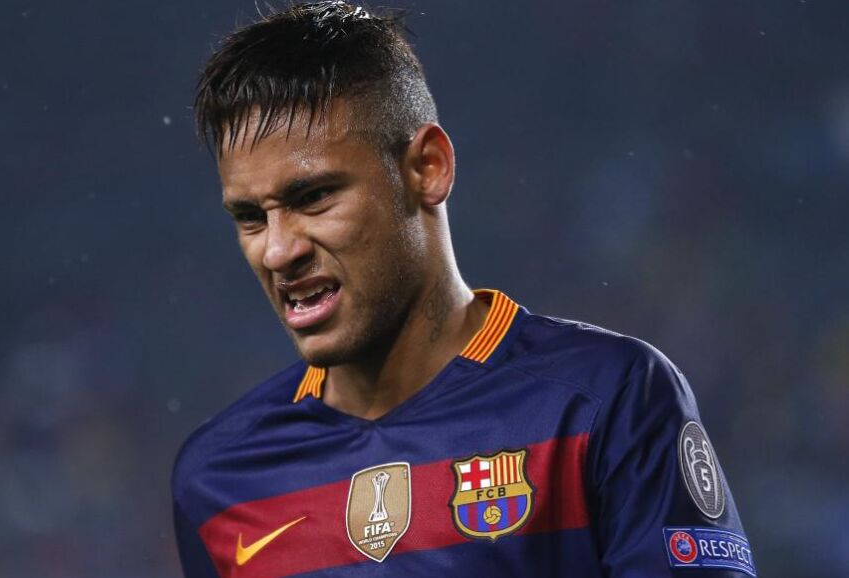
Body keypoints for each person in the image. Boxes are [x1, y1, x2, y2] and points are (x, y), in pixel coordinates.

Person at [171, 2, 755, 577]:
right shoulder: (218, 478)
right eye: (250, 217)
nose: (277, 250)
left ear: (428, 168)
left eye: (313, 197)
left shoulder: (604, 400)